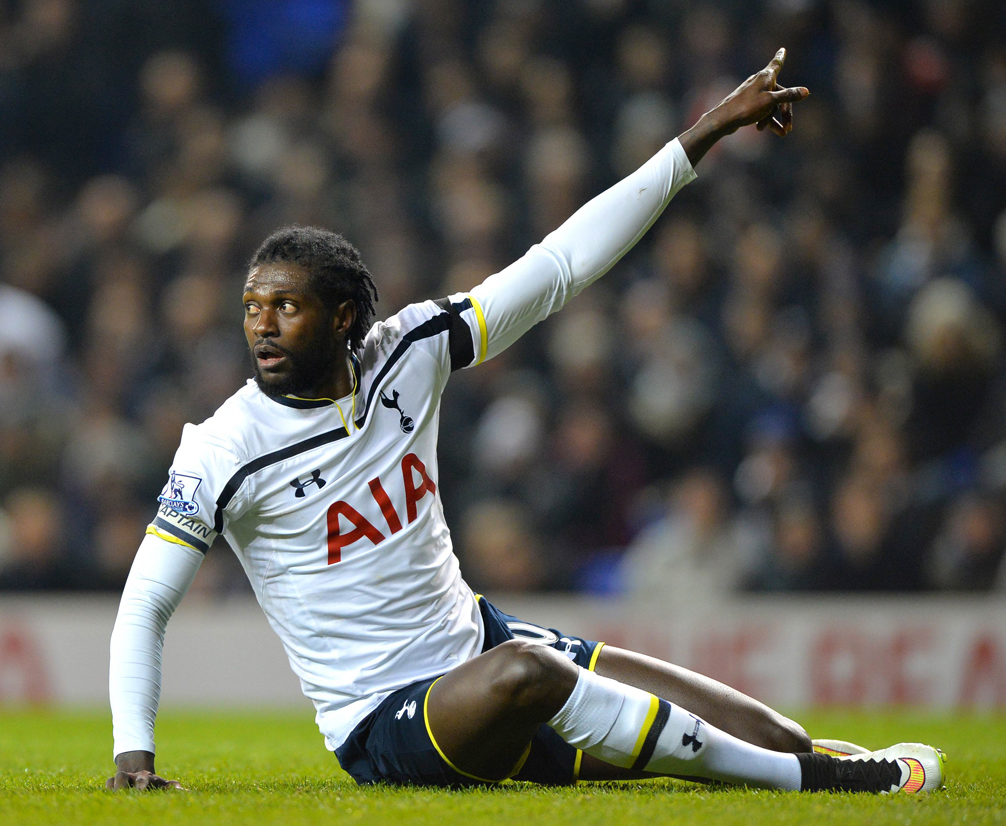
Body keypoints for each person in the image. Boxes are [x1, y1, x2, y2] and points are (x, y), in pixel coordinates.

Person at [106, 51, 945, 794]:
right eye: (252, 307)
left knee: (764, 727)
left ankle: (790, 759)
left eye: (285, 307)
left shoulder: (413, 350)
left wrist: (702, 138)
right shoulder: (224, 449)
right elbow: (146, 603)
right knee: (528, 674)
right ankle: (821, 782)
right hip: (388, 717)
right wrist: (132, 763)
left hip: (483, 644)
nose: (260, 326)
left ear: (342, 317)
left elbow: (560, 266)